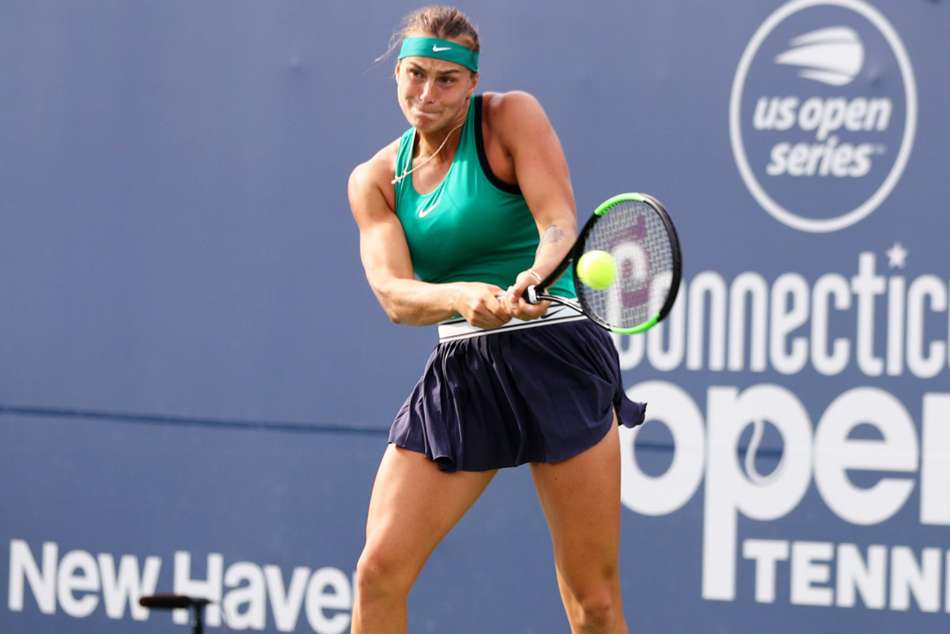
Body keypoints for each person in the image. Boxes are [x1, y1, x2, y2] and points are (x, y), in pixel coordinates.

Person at [347, 6, 645, 633]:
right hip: (464, 365)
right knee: (378, 573)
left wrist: (537, 272)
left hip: (557, 350)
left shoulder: (511, 117)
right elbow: (394, 295)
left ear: (472, 82)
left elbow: (558, 222)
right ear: (397, 72)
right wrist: (460, 297)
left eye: (447, 80)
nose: (427, 94)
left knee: (593, 603)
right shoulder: (374, 181)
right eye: (415, 74)